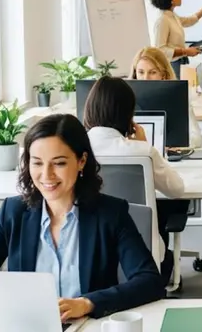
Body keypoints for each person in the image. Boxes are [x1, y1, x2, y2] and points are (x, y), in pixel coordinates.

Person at [0, 114, 165, 321]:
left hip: (86, 327)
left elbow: (149, 281)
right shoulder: (13, 212)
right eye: (37, 163)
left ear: (81, 161)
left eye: (59, 163)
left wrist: (87, 303)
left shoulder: (110, 213)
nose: (46, 175)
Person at [82, 76, 186, 286]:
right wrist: (147, 147)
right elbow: (177, 189)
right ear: (128, 115)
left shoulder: (74, 150)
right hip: (141, 256)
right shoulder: (141, 151)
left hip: (87, 254)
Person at [130, 46, 202, 148]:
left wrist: (176, 145)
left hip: (168, 158)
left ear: (163, 75)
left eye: (153, 72)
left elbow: (198, 139)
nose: (145, 78)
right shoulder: (126, 99)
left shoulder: (177, 97)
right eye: (141, 72)